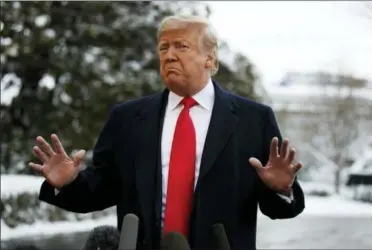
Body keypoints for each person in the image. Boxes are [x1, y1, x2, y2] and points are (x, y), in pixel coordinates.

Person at [30, 15, 305, 250]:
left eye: (181, 46)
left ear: (209, 58)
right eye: (163, 48)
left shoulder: (253, 120)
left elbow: (277, 208)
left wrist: (281, 190)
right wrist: (66, 183)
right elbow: (101, 189)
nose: (169, 55)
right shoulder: (127, 119)